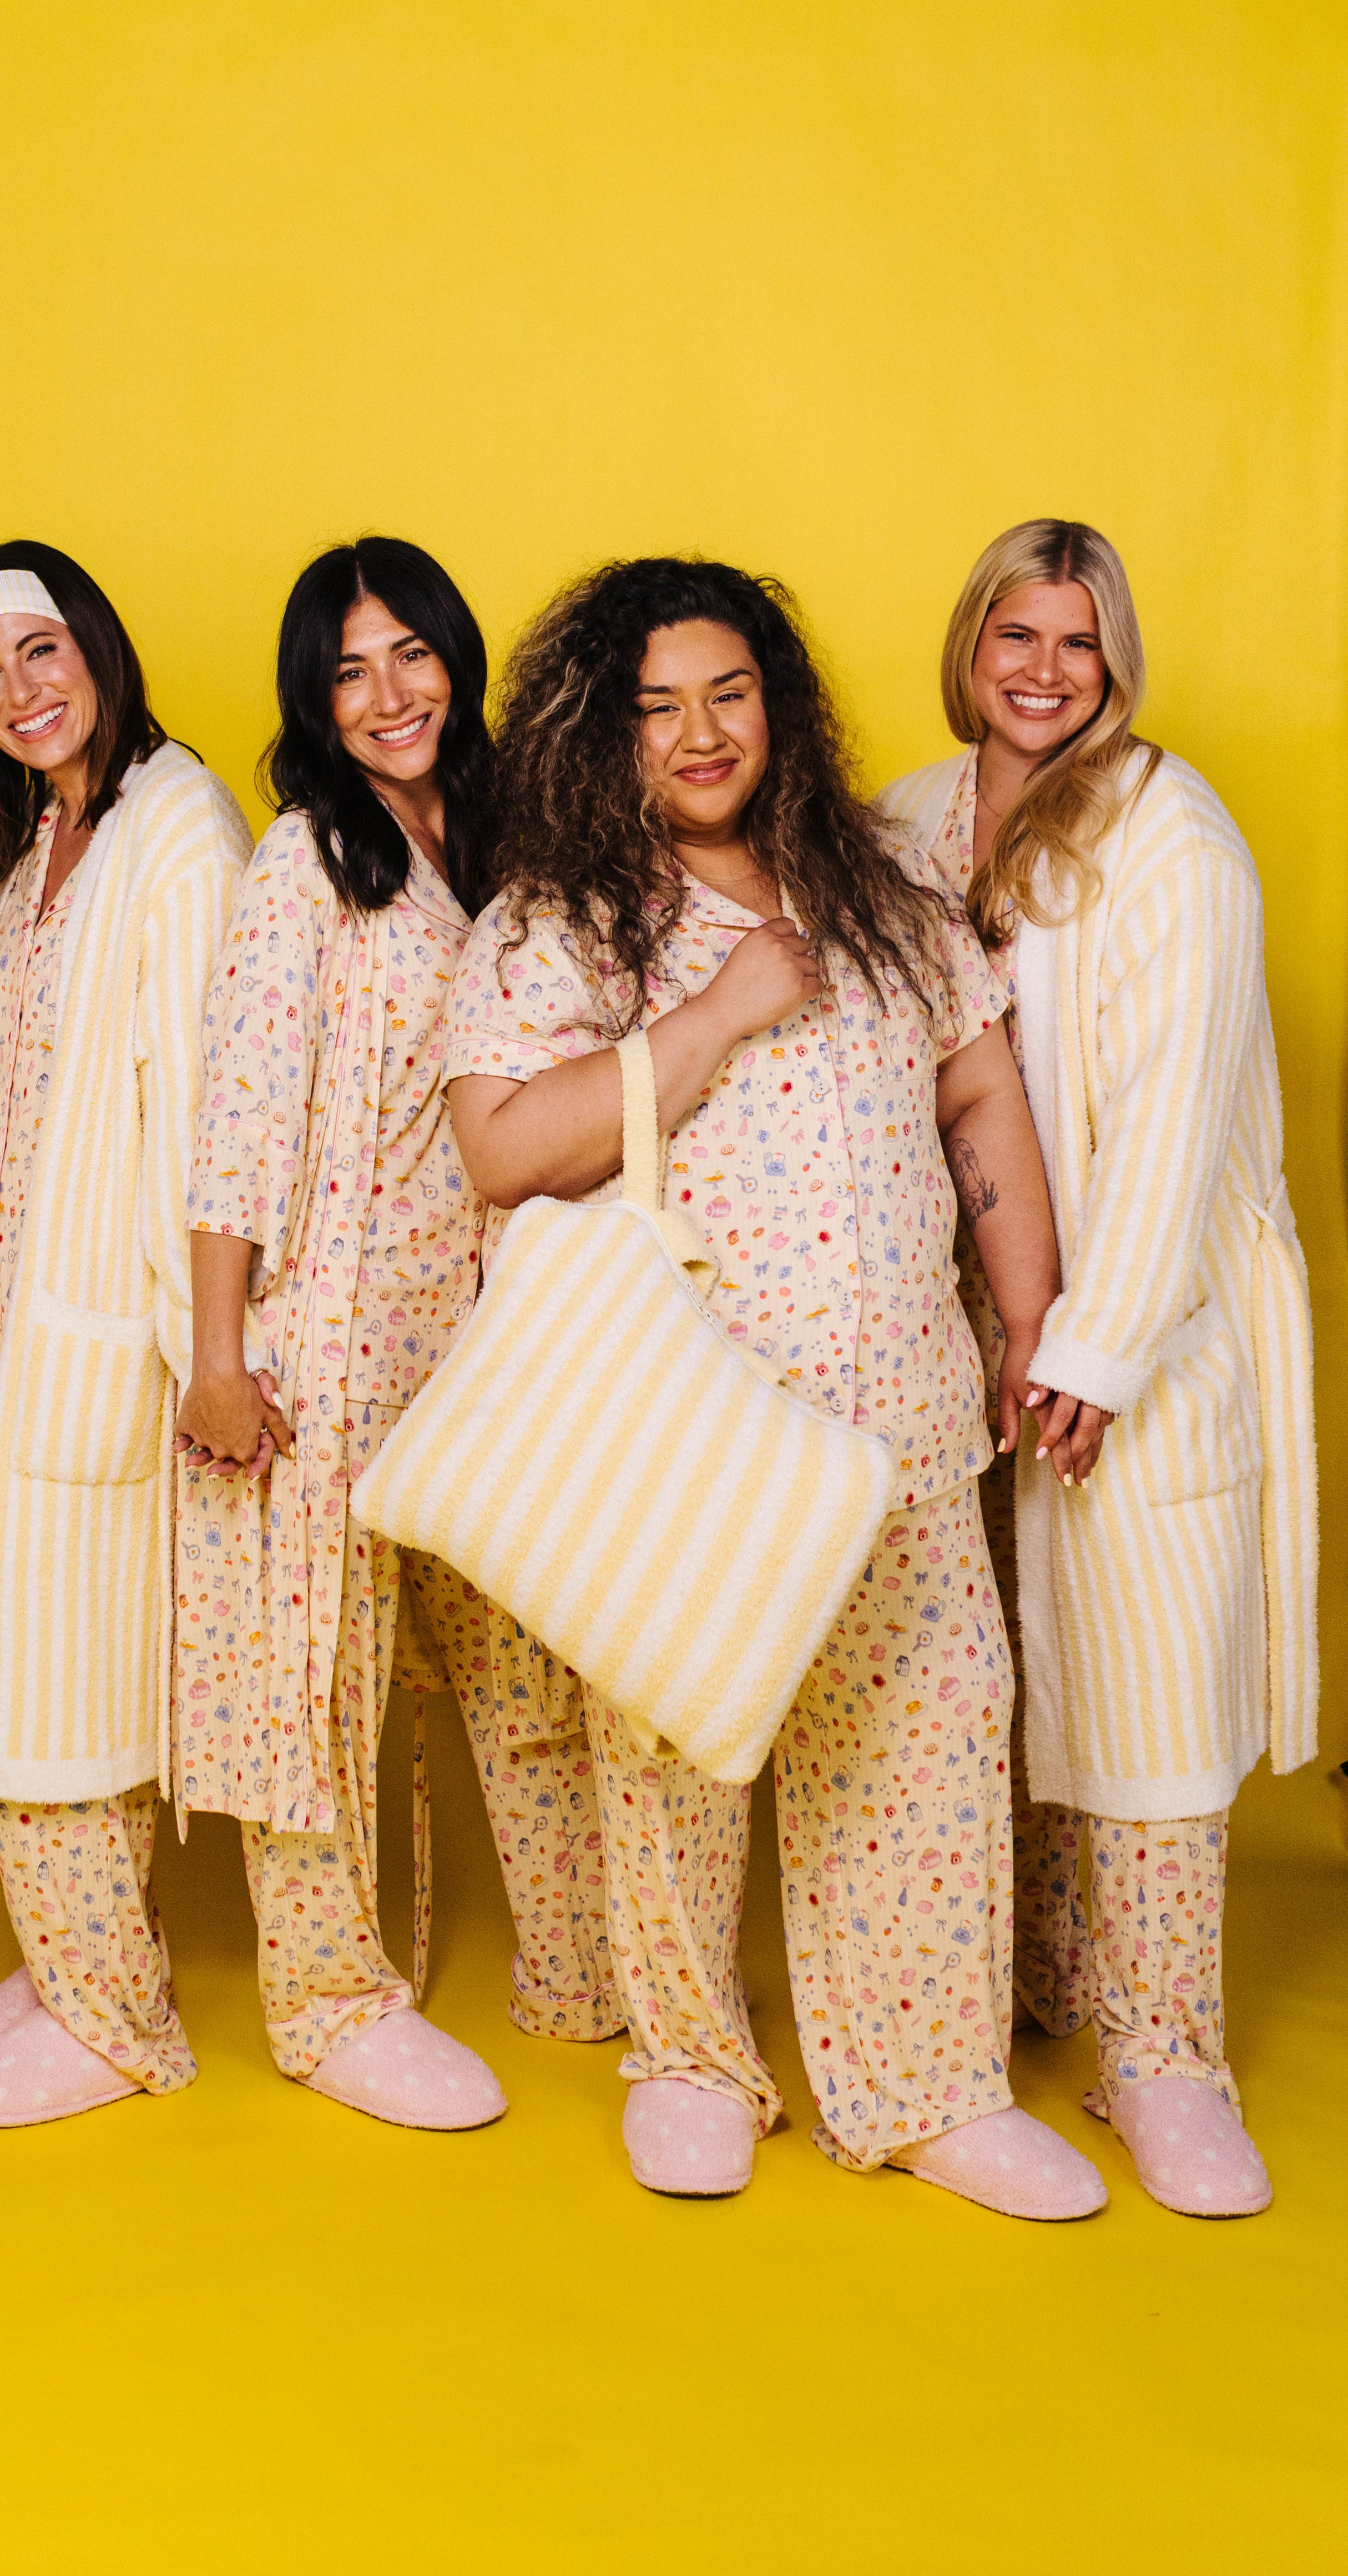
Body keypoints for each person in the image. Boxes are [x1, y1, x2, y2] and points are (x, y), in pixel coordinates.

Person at [443, 558, 1106, 2219]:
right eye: (658, 704)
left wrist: (1032, 1314)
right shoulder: (555, 915)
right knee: (672, 1741)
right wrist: (720, 1012)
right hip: (693, 1424)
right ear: (605, 731)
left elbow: (980, 1103)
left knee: (933, 1736)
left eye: (728, 691)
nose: (700, 731)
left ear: (777, 703)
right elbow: (504, 1145)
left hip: (898, 1415)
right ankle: (689, 2052)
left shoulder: (879, 880)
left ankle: (927, 2084)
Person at [885, 518, 1317, 2219]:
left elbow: (1175, 1122)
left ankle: (1165, 2052)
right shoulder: (917, 815)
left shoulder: (1174, 837)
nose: (1045, 672)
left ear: (1115, 658)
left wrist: (1096, 1339)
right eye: (1016, 636)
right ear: (971, 644)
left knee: (1141, 1682)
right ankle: (1034, 1981)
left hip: (1141, 1332)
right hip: (966, 1322)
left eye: (1078, 642)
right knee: (988, 1671)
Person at [175, 538, 622, 2128]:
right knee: (313, 1681)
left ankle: (586, 1967)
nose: (389, 694)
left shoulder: (501, 846)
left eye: (412, 653)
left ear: (457, 655)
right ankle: (324, 2000)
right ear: (315, 697)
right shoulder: (308, 860)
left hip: (478, 1348)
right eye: (350, 670)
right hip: (328, 1339)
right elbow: (236, 1116)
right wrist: (223, 1354)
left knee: (520, 1669)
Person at [0, 544, 250, 2129]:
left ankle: (114, 2018)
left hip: (106, 1330)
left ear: (99, 645)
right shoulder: (49, 835)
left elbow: (201, 1111)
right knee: (38, 1668)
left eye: (40, 651)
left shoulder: (179, 831)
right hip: (9, 1319)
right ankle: (77, 1961)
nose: (16, 693)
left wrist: (205, 1348)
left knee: (61, 1683)